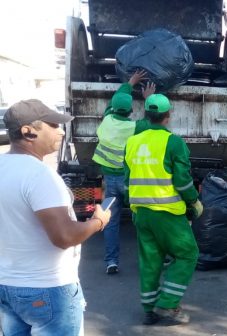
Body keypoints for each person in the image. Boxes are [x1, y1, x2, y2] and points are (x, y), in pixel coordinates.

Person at [0, 99, 111, 335]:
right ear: (28, 132)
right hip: (48, 289)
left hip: (7, 286)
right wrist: (98, 221)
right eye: (52, 125)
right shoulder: (40, 175)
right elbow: (64, 236)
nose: (61, 131)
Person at [124, 93, 203, 325]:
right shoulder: (174, 142)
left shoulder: (133, 141)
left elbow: (127, 178)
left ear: (146, 115)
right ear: (168, 116)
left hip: (141, 213)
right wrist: (194, 201)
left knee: (150, 260)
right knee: (188, 254)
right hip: (167, 212)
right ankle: (168, 303)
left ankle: (149, 309)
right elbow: (183, 181)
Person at [92, 70, 153, 275]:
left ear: (114, 109)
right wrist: (149, 98)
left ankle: (111, 261)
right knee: (142, 221)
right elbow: (151, 121)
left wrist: (129, 83)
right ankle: (148, 260)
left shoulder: (107, 119)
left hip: (110, 183)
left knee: (110, 221)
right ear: (129, 111)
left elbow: (113, 102)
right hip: (130, 183)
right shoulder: (134, 127)